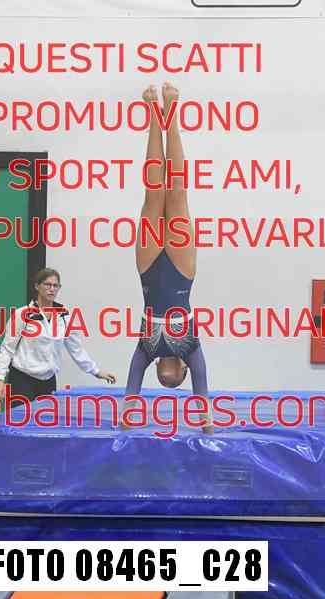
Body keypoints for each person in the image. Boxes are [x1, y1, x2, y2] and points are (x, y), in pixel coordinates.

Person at [123, 82, 213, 434]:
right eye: (172, 380)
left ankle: (155, 110)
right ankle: (167, 109)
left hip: (154, 270)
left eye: (163, 380)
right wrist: (206, 424)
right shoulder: (186, 348)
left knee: (157, 192)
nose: (166, 378)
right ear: (182, 371)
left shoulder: (152, 349)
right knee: (172, 192)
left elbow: (133, 385)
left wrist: (128, 419)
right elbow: (201, 390)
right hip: (173, 271)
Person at [0, 268, 116, 404]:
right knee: (21, 417)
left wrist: (96, 371)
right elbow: (7, 349)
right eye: (47, 284)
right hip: (22, 379)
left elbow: (76, 349)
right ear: (37, 286)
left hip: (48, 381)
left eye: (55, 286)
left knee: (46, 417)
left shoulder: (65, 317)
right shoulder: (22, 314)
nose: (52, 289)